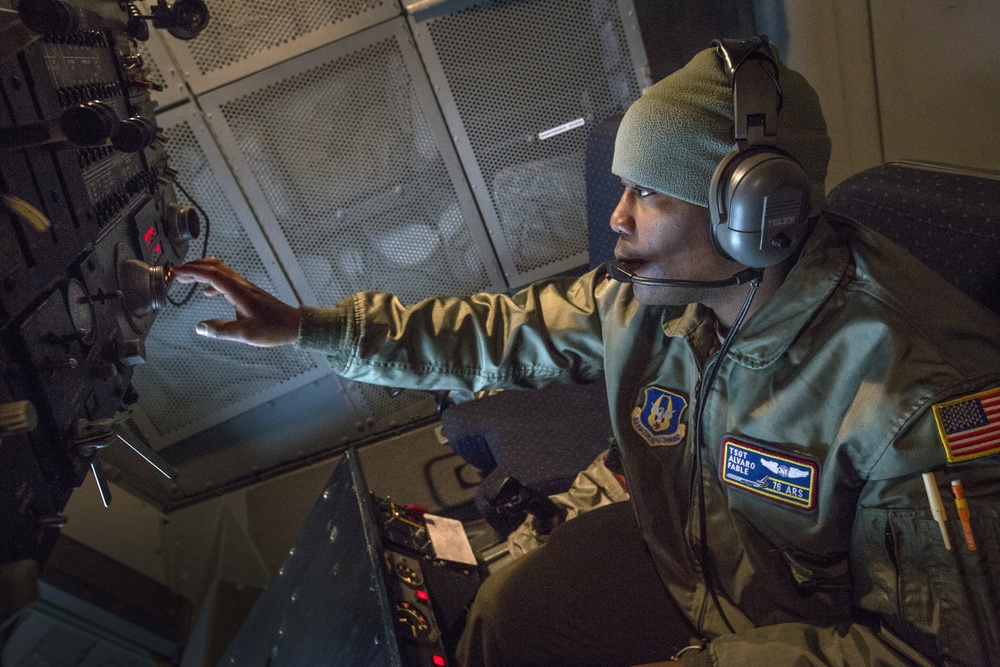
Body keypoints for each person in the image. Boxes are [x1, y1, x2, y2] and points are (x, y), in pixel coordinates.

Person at [172, 37, 1000, 666]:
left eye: (648, 192)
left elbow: (924, 650)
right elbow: (492, 334)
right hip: (687, 559)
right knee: (500, 619)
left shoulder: (914, 394)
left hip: (805, 629)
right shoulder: (650, 302)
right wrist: (308, 328)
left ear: (758, 214)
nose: (617, 217)